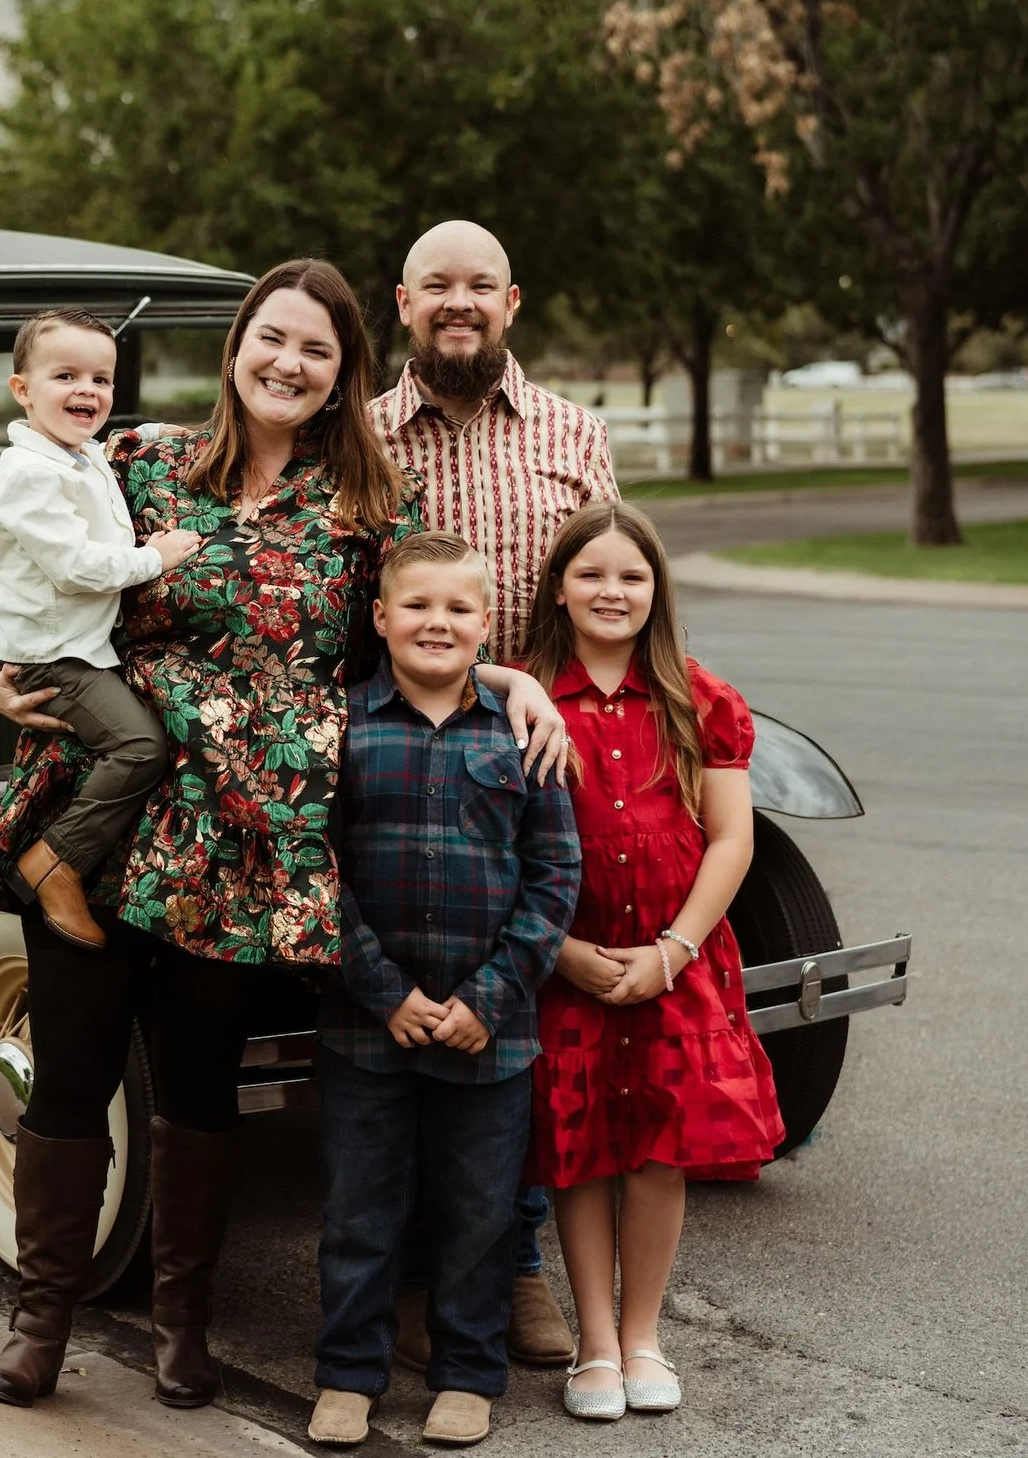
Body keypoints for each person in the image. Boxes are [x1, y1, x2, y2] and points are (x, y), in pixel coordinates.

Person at [0, 259, 569, 1414]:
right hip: (100, 811)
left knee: (195, 1084)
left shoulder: (368, 511)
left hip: (243, 839)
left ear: (345, 376)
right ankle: (40, 1319)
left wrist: (508, 682)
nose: (287, 363)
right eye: (271, 339)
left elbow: (424, 627)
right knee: (74, 1066)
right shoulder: (132, 462)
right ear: (238, 344)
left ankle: (178, 1324)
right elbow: (26, 575)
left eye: (317, 351)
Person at [373, 219, 619, 1372]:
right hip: (400, 756)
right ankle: (418, 1273)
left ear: (511, 302)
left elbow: (612, 591)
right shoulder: (360, 436)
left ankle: (511, 1263)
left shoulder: (574, 432)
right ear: (403, 302)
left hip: (534, 764)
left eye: (478, 286)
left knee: (518, 1014)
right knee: (406, 1003)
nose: (457, 302)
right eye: (437, 286)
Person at [306, 532, 581, 1451]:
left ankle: (469, 1371)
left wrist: (492, 997)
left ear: (486, 626)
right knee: (360, 1210)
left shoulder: (524, 737)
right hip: (364, 1023)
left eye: (458, 608)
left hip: (490, 1032)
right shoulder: (342, 726)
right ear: (380, 618)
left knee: (480, 1211)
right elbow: (317, 870)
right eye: (416, 605)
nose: (437, 621)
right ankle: (349, 1369)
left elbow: (554, 877)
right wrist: (382, 988)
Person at [518, 500, 783, 1420]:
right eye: (592, 573)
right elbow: (494, 845)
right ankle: (592, 1342)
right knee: (581, 1145)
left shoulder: (699, 698)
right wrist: (558, 951)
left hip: (675, 961)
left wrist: (674, 951)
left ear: (657, 590)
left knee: (659, 1150)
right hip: (569, 961)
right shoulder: (522, 695)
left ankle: (643, 1335)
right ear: (559, 586)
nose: (612, 591)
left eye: (632, 576)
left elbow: (731, 840)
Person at [0, 308, 202, 948]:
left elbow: (123, 451)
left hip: (81, 646)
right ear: (22, 389)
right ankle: (53, 861)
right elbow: (76, 567)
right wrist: (155, 557)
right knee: (139, 748)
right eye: (66, 375)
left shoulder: (80, 455)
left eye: (101, 379)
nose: (88, 391)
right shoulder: (29, 474)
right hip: (57, 656)